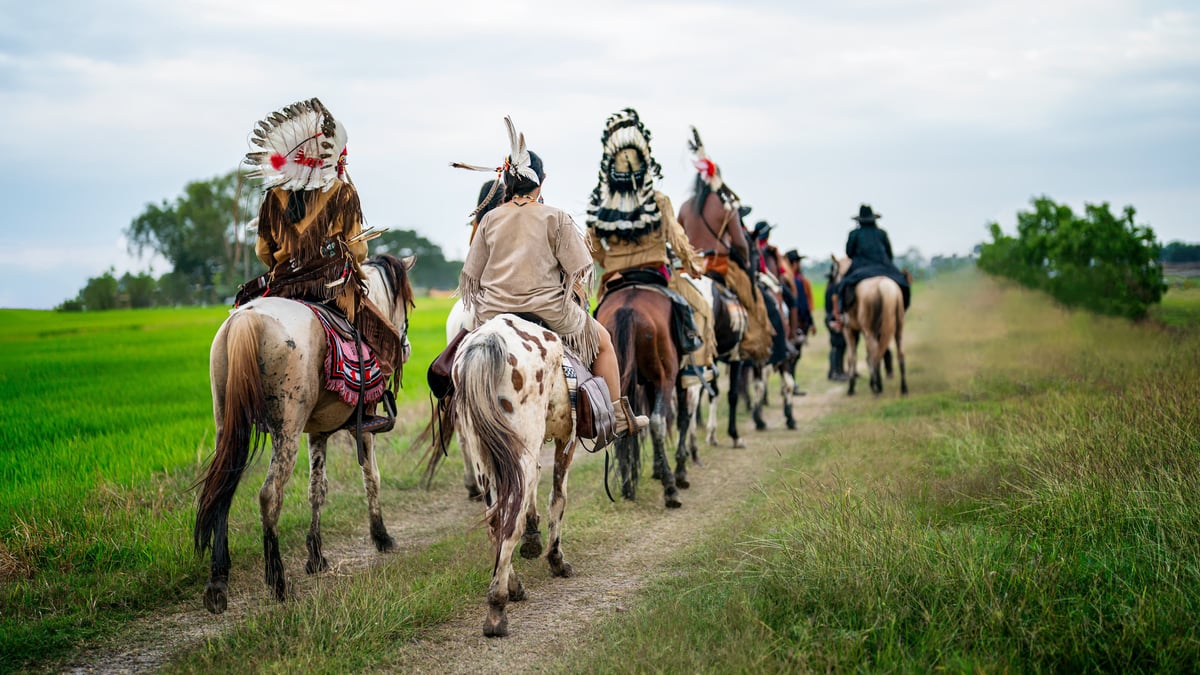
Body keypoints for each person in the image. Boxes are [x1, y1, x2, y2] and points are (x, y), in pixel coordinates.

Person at [456, 117, 648, 437]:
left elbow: (470, 277)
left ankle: (453, 406)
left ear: (507, 183)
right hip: (549, 312)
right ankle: (615, 416)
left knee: (460, 349)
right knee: (603, 343)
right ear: (541, 181)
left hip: (492, 312)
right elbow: (580, 270)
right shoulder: (555, 217)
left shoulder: (489, 220)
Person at [238, 97, 403, 432]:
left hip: (282, 285)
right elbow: (357, 251)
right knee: (384, 339)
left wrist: (287, 264)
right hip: (330, 287)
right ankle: (365, 411)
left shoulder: (274, 195)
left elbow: (262, 251)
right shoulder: (342, 192)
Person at [583, 108, 714, 374]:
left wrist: (609, 261)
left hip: (615, 278)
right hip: (656, 274)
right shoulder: (659, 200)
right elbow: (678, 241)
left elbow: (591, 246)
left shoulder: (600, 203)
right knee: (701, 310)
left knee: (589, 326)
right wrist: (692, 266)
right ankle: (693, 372)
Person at [676, 127, 774, 363]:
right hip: (719, 267)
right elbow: (740, 243)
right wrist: (745, 259)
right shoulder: (726, 207)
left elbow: (678, 242)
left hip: (689, 269)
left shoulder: (685, 207)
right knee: (757, 301)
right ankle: (752, 343)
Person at [833, 204, 911, 322]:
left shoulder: (854, 233)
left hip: (860, 267)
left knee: (843, 285)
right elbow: (889, 254)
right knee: (903, 283)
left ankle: (844, 314)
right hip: (884, 266)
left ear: (860, 220)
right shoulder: (882, 233)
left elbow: (849, 253)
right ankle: (901, 312)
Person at [824, 265, 849, 381]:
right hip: (833, 318)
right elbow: (834, 307)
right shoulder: (834, 288)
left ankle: (836, 371)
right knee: (837, 346)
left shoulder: (831, 286)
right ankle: (836, 372)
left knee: (839, 345)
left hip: (831, 318)